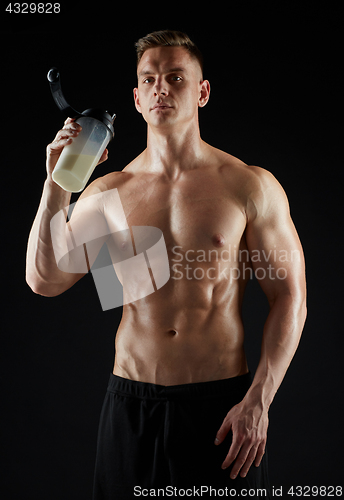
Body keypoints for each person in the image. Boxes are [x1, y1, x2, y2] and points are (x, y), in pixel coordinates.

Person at [26, 30, 307, 499]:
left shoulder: (248, 185)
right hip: (131, 403)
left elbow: (290, 297)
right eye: (150, 79)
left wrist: (258, 400)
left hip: (220, 406)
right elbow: (44, 279)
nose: (162, 88)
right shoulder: (111, 190)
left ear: (202, 91)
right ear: (136, 99)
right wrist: (57, 185)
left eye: (176, 77)